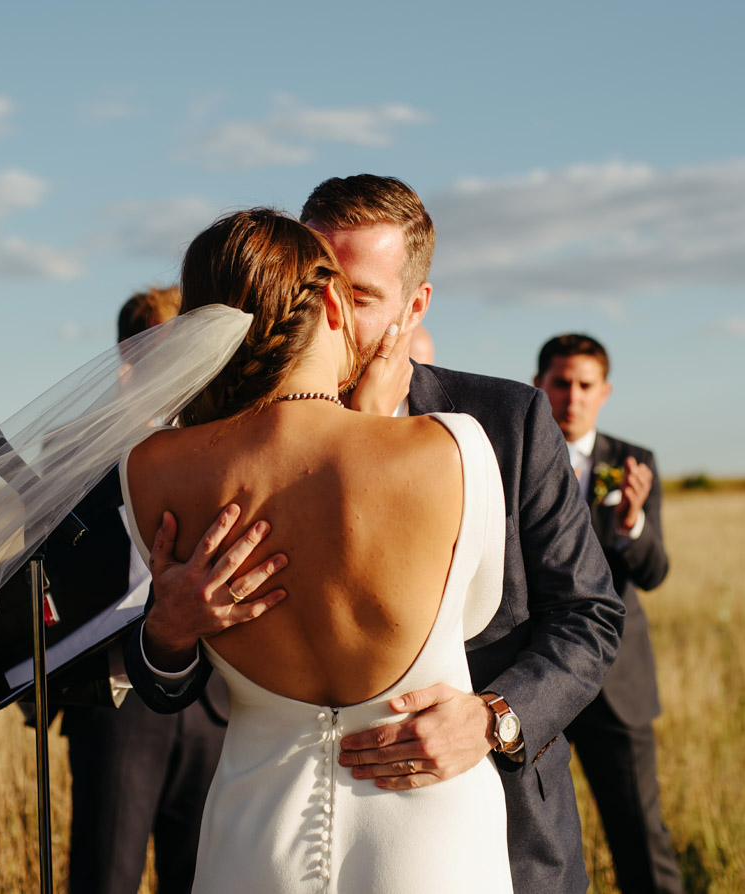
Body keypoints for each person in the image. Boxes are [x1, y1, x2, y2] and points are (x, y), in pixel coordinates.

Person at [126, 175, 624, 893]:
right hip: (271, 834)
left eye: (359, 297)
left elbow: (588, 613)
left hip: (488, 826)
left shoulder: (501, 420)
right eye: (312, 285)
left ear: (413, 305)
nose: (326, 318)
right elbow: (173, 681)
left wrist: (495, 719)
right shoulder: (207, 449)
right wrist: (166, 634)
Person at [60, 286, 229, 894]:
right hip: (118, 703)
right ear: (129, 364)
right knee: (108, 874)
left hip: (214, 707)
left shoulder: (225, 447)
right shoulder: (71, 452)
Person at [534, 334, 681, 893]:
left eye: (585, 385)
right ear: (538, 385)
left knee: (640, 836)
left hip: (617, 682)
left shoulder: (633, 462)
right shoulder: (513, 456)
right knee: (533, 841)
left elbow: (655, 572)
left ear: (605, 392)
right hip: (535, 678)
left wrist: (631, 529)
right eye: (561, 382)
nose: (572, 397)